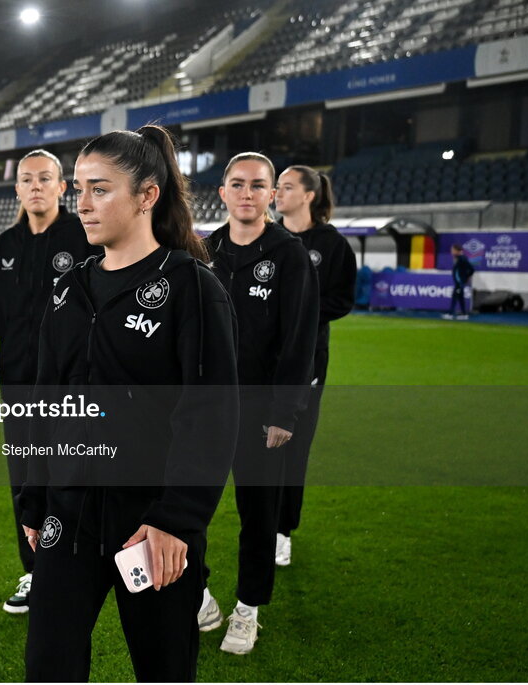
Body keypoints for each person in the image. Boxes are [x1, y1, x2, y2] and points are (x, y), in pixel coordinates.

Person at [18, 125, 239, 682]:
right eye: (79, 190)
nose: (82, 205)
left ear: (147, 196)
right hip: (67, 515)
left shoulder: (192, 287)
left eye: (100, 189)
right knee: (48, 665)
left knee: (162, 669)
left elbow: (210, 416)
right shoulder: (68, 289)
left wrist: (176, 520)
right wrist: (31, 500)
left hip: (151, 525)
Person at [0, 149, 101, 614]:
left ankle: (82, 569)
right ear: (16, 189)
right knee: (25, 484)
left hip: (75, 388)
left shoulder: (85, 240)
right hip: (17, 390)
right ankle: (35, 573)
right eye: (26, 179)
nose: (35, 186)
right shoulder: (2, 250)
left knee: (78, 478)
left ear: (62, 187)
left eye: (45, 178)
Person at [203, 152, 319, 654]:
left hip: (260, 414)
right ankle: (198, 596)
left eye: (257, 185)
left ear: (272, 194)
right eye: (237, 184)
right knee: (188, 510)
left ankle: (247, 609)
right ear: (223, 193)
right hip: (205, 411)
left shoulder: (289, 254)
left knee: (258, 515)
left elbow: (300, 340)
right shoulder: (203, 250)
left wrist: (283, 414)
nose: (246, 193)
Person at [274, 165, 357, 566]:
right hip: (259, 362)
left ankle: (282, 530)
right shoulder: (264, 236)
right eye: (278, 186)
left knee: (294, 443)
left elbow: (341, 300)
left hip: (307, 361)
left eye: (287, 187)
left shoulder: (332, 244)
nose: (277, 193)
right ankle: (259, 522)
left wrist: (299, 314)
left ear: (309, 195)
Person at [444, 244, 475, 321]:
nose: (451, 252)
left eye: (452, 250)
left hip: (459, 282)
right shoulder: (458, 258)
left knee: (455, 297)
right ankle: (464, 314)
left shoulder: (462, 258)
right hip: (458, 281)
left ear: (456, 250)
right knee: (460, 298)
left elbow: (471, 269)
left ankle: (450, 314)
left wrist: (467, 277)